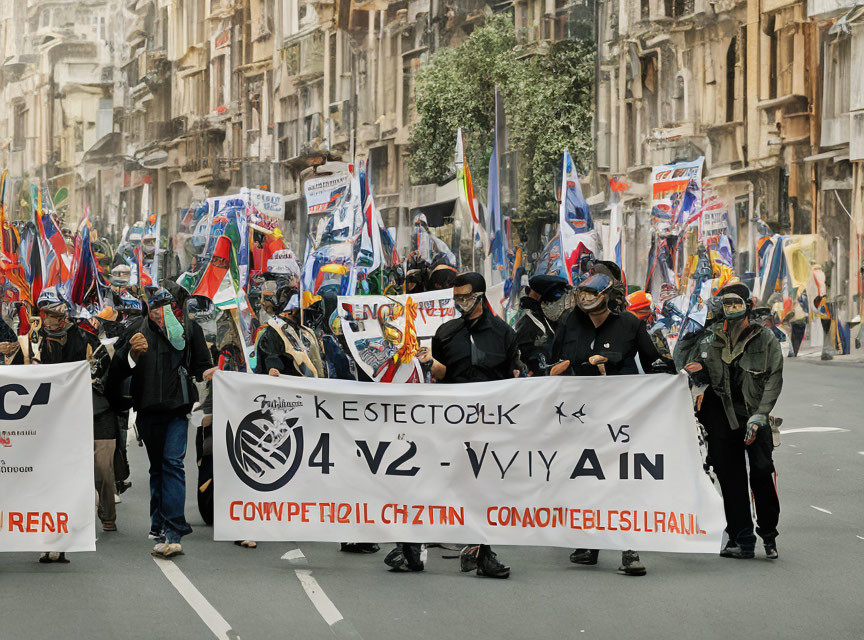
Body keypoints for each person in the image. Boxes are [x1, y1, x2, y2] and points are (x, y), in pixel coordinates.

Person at [549, 273, 673, 576]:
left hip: (620, 414)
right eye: (581, 293)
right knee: (584, 477)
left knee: (621, 479)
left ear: (607, 295)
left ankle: (629, 548)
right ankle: (588, 542)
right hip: (579, 414)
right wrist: (555, 369)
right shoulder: (569, 322)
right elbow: (551, 360)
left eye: (592, 293)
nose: (585, 298)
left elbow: (659, 363)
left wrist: (613, 361)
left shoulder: (630, 324)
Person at [411, 272, 522, 579]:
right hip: (451, 422)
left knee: (486, 488)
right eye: (456, 298)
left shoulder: (503, 333)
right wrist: (429, 363)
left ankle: (483, 552)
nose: (461, 303)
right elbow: (444, 373)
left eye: (466, 297)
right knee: (440, 481)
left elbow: (514, 378)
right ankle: (409, 546)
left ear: (480, 296)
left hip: (490, 424)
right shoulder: (446, 332)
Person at [0, 287, 118, 560]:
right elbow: (15, 375)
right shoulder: (30, 340)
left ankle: (91, 522)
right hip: (45, 423)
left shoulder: (87, 339)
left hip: (84, 415)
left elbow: (108, 372)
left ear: (64, 313)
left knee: (89, 473)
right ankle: (52, 541)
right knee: (48, 478)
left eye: (54, 314)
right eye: (46, 314)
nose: (50, 320)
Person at [110, 286, 213, 558]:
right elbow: (117, 369)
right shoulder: (135, 328)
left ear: (172, 308)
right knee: (158, 468)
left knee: (172, 464)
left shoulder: (189, 330)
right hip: (146, 410)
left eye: (164, 307)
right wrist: (132, 353)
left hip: (178, 409)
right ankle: (158, 524)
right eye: (153, 307)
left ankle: (173, 529)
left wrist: (210, 372)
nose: (159, 313)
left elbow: (201, 366)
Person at [684, 282, 783, 560]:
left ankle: (769, 534)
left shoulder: (765, 338)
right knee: (731, 478)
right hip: (720, 417)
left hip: (754, 416)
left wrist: (761, 415)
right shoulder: (709, 337)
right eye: (726, 304)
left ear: (747, 306)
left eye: (736, 303)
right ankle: (742, 538)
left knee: (762, 472)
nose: (731, 309)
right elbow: (684, 361)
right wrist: (691, 343)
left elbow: (774, 378)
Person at [515, 275, 570, 376]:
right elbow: (532, 362)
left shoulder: (559, 318)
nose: (561, 305)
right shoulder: (528, 324)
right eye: (555, 301)